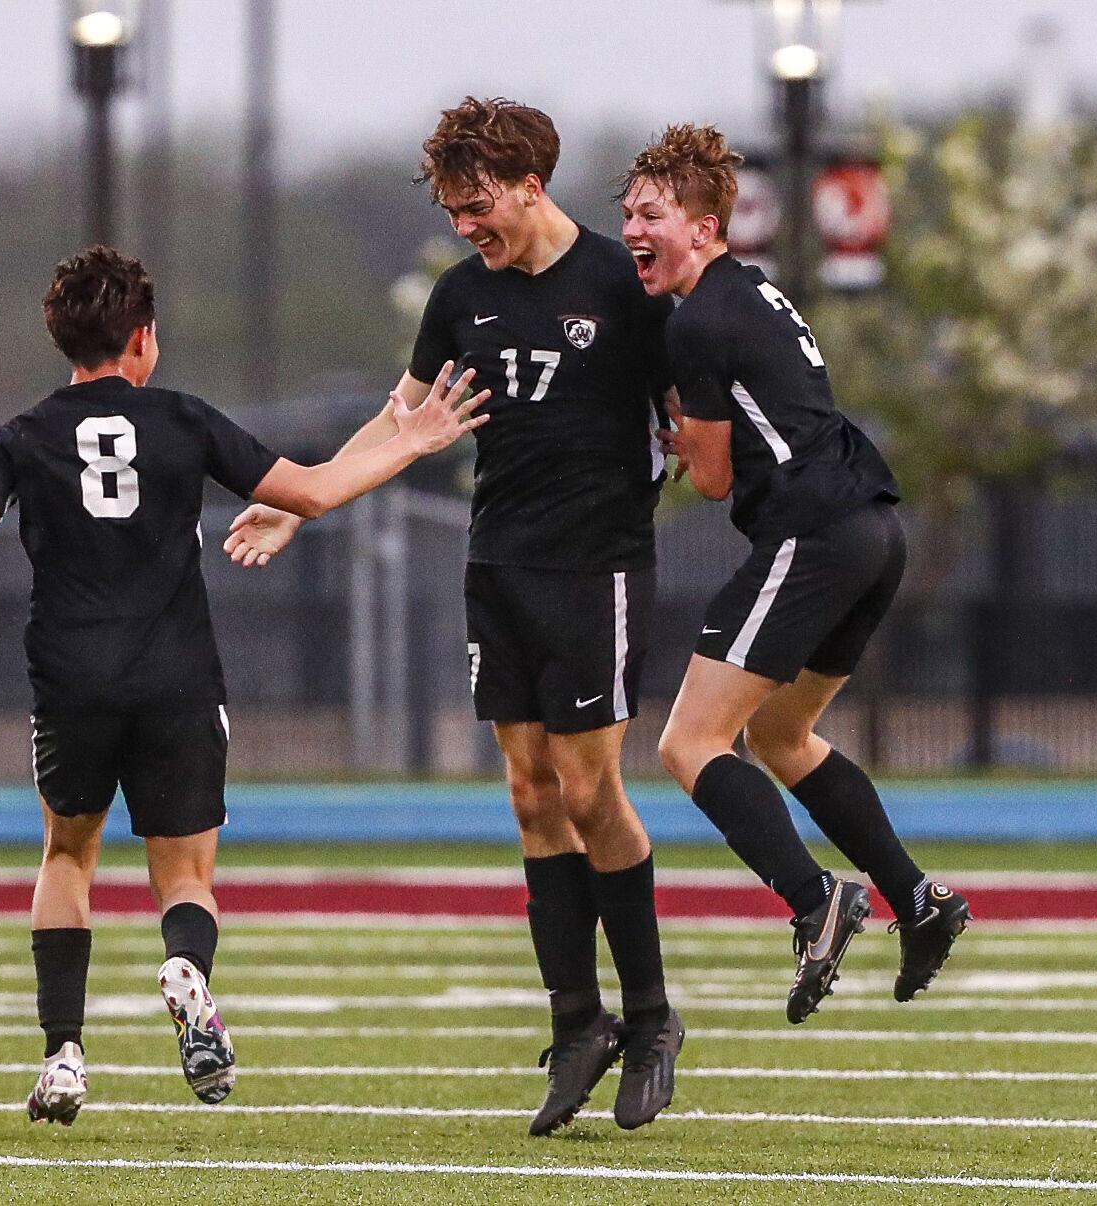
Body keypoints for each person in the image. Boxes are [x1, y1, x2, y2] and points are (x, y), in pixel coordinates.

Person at [0, 245, 486, 1124]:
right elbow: (310, 493)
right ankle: (186, 968)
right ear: (142, 338)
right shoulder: (182, 418)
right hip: (176, 677)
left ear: (62, 338)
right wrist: (412, 439)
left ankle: (64, 1055)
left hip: (72, 682)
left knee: (67, 856)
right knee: (186, 876)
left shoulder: (20, 436)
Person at [223, 97, 682, 1133]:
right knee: (529, 794)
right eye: (451, 211)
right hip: (498, 562)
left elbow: (691, 408)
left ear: (530, 184)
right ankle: (579, 1022)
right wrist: (302, 501)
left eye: (477, 207)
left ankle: (652, 1017)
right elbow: (401, 417)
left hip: (596, 565)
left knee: (589, 787)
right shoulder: (461, 296)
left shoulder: (622, 283)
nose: (465, 227)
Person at [619, 125, 970, 1024]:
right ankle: (916, 898)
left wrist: (674, 438)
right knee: (781, 734)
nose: (632, 231)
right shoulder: (754, 290)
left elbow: (713, 479)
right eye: (629, 214)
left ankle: (817, 899)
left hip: (812, 535)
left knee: (688, 745)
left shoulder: (699, 319)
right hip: (871, 527)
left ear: (705, 228)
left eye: (651, 215)